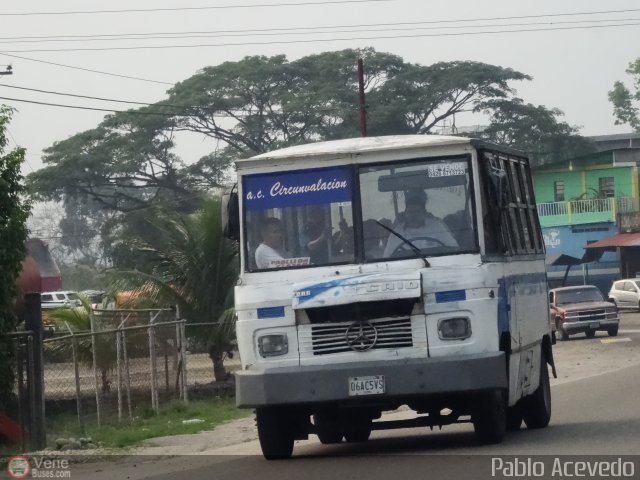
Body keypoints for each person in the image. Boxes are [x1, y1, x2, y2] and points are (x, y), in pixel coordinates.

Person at [382, 189, 458, 257]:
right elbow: (387, 257)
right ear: (405, 213)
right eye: (410, 212)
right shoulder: (396, 233)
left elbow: (454, 248)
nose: (413, 216)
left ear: (424, 213)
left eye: (417, 212)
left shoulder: (436, 226)